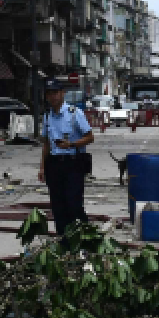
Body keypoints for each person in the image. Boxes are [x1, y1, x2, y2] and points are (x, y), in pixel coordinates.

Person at [37, 77, 94, 234]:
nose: (53, 97)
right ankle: (64, 244)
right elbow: (47, 143)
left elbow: (90, 137)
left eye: (55, 93)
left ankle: (84, 240)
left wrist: (71, 144)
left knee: (74, 205)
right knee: (58, 206)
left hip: (73, 164)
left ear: (63, 93)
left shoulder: (75, 113)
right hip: (54, 166)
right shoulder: (48, 116)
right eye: (49, 94)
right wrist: (42, 167)